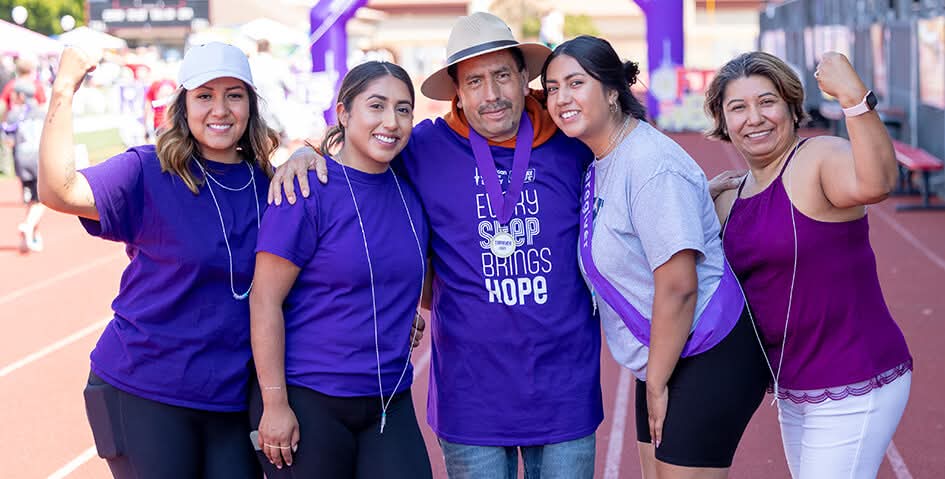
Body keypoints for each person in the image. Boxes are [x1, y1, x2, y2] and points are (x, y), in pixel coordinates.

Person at [272, 12, 603, 479]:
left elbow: (628, 148)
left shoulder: (574, 142)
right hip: (470, 398)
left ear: (524, 78)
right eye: (474, 82)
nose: (491, 94)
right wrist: (310, 153)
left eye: (502, 76)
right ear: (457, 93)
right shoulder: (424, 147)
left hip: (565, 390)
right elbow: (362, 154)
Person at [37, 43, 278, 478]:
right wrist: (64, 88)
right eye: (204, 95)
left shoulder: (270, 182)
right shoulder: (147, 171)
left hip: (230, 399)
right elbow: (59, 190)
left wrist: (305, 155)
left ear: (251, 105)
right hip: (145, 388)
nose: (220, 109)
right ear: (183, 105)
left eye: (234, 95)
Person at [542, 35, 769, 478]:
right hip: (663, 353)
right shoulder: (605, 158)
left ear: (612, 91)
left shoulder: (649, 163)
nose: (561, 97)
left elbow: (679, 286)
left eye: (575, 83)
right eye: (552, 88)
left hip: (705, 349)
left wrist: (658, 382)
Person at [705, 51, 912, 478]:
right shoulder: (729, 196)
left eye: (767, 102)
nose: (754, 118)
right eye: (738, 108)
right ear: (723, 120)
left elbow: (878, 182)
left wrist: (853, 98)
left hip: (853, 375)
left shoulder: (816, 158)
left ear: (790, 106)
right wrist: (699, 199)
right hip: (795, 386)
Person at [249, 61, 432, 478]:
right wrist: (275, 404)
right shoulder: (305, 189)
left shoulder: (410, 194)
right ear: (344, 113)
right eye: (376, 106)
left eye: (403, 109)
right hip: (311, 397)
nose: (391, 121)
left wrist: (396, 316)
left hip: (388, 396)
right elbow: (264, 300)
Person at [2, 80, 46, 253]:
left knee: (30, 200)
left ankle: (31, 236)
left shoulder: (14, 115)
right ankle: (29, 226)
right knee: (42, 199)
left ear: (21, 95)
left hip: (22, 159)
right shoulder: (42, 112)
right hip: (38, 158)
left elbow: (9, 141)